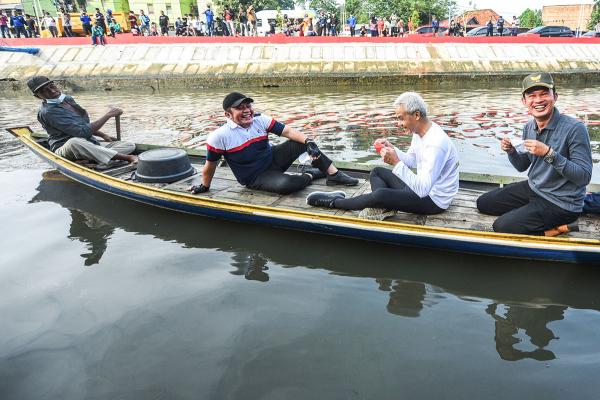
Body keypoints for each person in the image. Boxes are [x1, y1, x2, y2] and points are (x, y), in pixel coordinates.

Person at [306, 92, 459, 221]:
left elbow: (423, 189)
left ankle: (336, 202)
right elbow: (412, 160)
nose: (399, 123)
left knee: (380, 194)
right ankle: (385, 206)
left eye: (401, 118)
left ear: (416, 115)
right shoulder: (420, 132)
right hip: (421, 189)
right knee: (377, 172)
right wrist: (393, 149)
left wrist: (396, 162)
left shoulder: (436, 144)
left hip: (434, 200)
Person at [476, 73, 593, 235]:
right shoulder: (529, 127)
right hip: (535, 189)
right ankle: (530, 213)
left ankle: (557, 229)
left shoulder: (575, 129)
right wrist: (512, 152)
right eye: (532, 95)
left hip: (562, 203)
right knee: (483, 203)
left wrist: (548, 153)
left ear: (555, 97)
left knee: (502, 227)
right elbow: (522, 166)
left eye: (544, 94)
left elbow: (584, 177)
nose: (538, 100)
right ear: (524, 101)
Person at [188, 92, 358, 196]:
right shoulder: (219, 136)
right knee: (287, 185)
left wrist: (309, 142)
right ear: (228, 115)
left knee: (301, 142)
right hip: (255, 176)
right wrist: (205, 186)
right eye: (240, 108)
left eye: (248, 105)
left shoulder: (260, 120)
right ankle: (312, 175)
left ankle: (334, 175)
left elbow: (289, 132)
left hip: (273, 159)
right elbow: (210, 165)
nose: (247, 110)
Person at [28, 76, 137, 167]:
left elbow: (81, 124)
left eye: (52, 86)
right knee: (75, 141)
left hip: (88, 144)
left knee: (129, 145)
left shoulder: (67, 99)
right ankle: (127, 158)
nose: (52, 91)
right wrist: (108, 116)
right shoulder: (48, 112)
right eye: (44, 91)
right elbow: (82, 132)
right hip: (67, 148)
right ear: (38, 96)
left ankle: (93, 161)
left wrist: (103, 135)